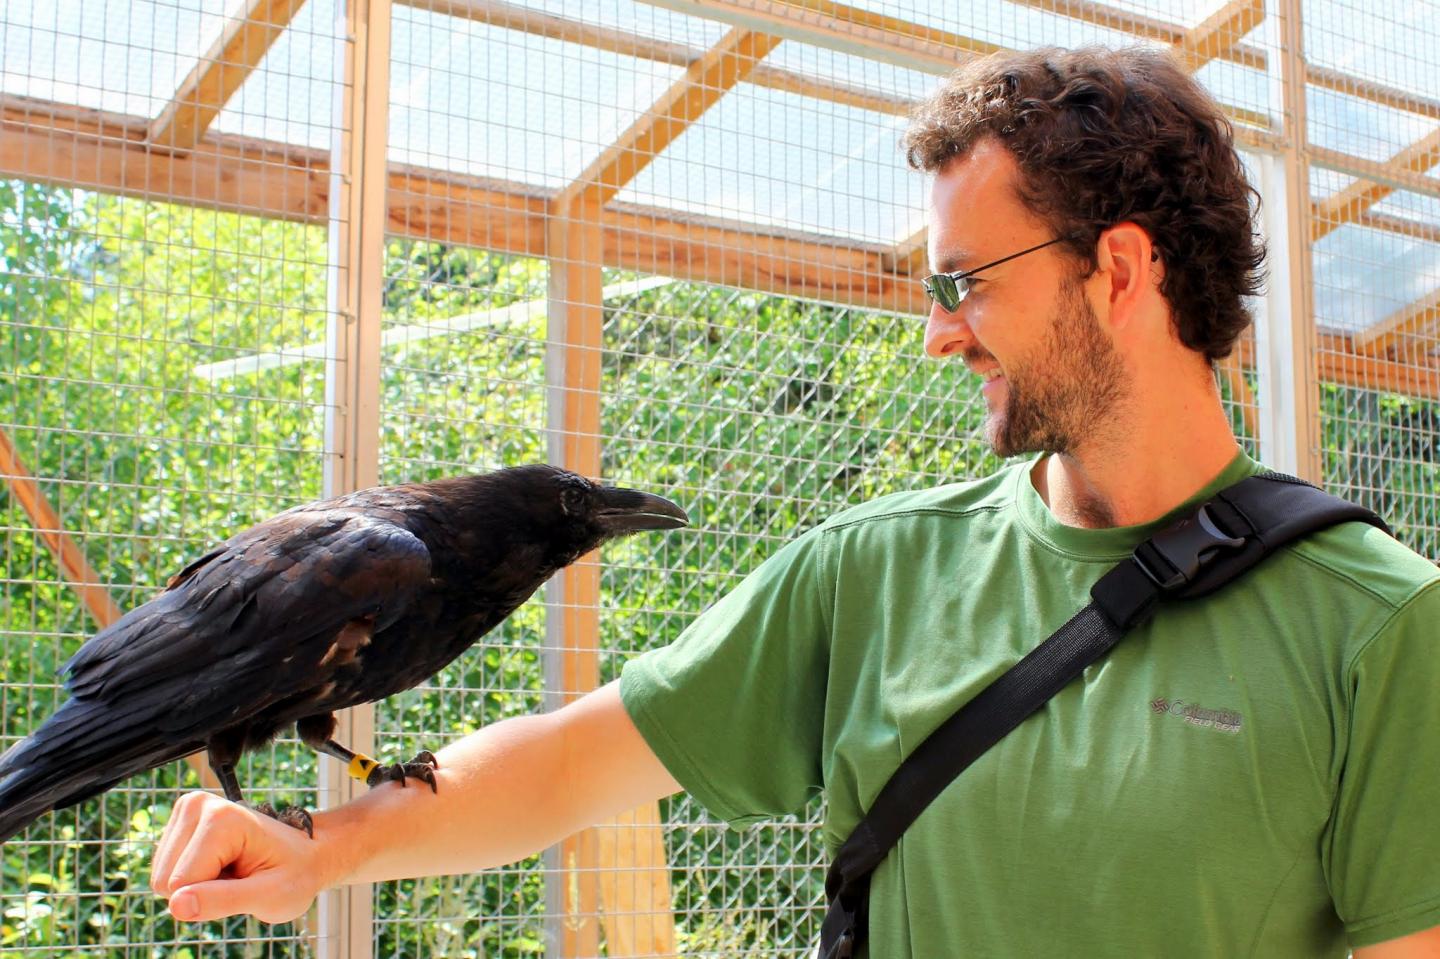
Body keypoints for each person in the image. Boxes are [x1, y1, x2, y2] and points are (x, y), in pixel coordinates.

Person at [151, 46, 1440, 956]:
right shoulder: (875, 569)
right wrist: (327, 847)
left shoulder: (1378, 629)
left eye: (963, 284)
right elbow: (580, 758)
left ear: (1118, 268)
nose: (940, 336)